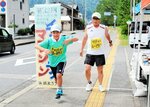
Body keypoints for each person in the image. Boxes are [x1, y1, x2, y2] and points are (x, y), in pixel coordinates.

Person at [35, 24, 78, 99]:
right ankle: (59, 86)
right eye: (54, 32)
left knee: (59, 75)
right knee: (56, 78)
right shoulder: (49, 41)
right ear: (51, 33)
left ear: (60, 32)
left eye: (57, 32)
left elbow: (76, 38)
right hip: (52, 62)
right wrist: (44, 50)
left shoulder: (64, 39)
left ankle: (59, 89)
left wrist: (70, 40)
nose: (55, 34)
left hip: (61, 60)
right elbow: (37, 46)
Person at [80, 12, 112, 92]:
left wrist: (110, 41)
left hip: (100, 53)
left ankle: (100, 85)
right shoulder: (88, 27)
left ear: (99, 20)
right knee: (87, 69)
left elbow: (107, 35)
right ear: (92, 19)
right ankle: (89, 83)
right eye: (94, 18)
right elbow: (84, 38)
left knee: (100, 70)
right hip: (90, 53)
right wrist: (81, 49)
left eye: (97, 19)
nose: (95, 20)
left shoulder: (103, 28)